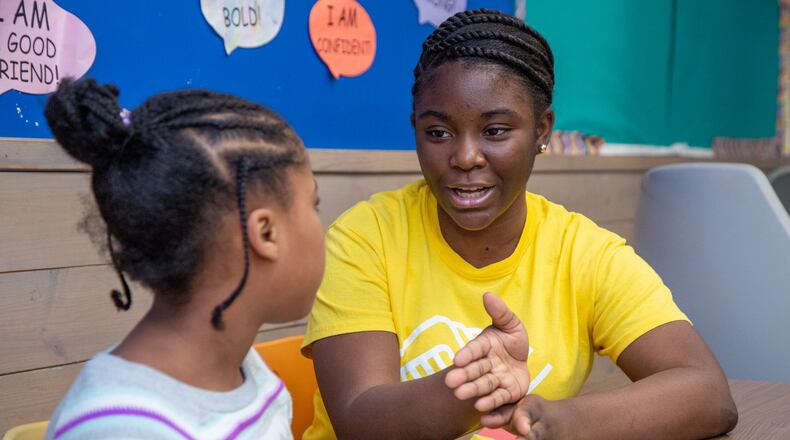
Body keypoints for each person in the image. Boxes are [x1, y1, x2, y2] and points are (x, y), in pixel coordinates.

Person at [301, 8, 737, 439]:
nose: (465, 157)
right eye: (438, 132)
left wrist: (559, 421)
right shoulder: (365, 238)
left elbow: (707, 393)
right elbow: (359, 418)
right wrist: (476, 390)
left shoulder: (584, 254)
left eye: (494, 131)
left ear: (542, 130)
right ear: (415, 127)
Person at [42, 78, 324, 439]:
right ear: (266, 233)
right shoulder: (120, 427)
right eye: (313, 203)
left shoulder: (246, 371)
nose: (320, 221)